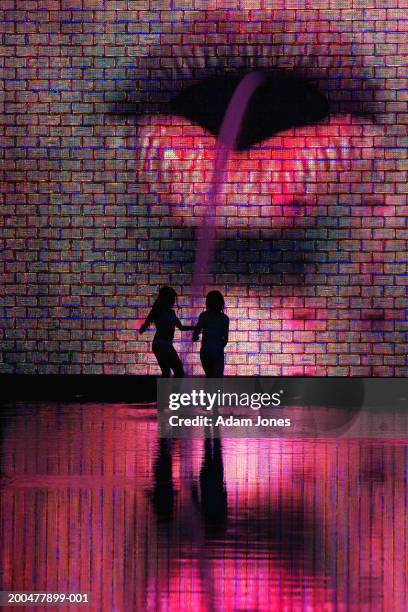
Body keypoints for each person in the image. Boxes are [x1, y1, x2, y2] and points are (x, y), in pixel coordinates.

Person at [139, 287, 193, 377]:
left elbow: (181, 327)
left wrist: (194, 327)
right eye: (171, 299)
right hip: (160, 345)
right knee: (169, 372)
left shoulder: (171, 313)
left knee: (176, 372)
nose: (173, 302)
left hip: (166, 345)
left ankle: (172, 390)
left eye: (173, 299)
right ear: (166, 299)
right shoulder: (157, 311)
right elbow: (147, 323)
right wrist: (143, 328)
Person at [193, 291, 229, 377]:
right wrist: (219, 345)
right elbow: (225, 338)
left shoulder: (204, 316)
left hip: (206, 350)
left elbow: (197, 331)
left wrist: (195, 336)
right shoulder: (224, 318)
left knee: (209, 376)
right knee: (218, 378)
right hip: (217, 349)